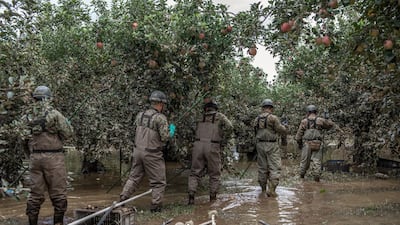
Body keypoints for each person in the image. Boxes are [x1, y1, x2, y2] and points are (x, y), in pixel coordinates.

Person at [25, 86, 74, 225]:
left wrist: (31, 155)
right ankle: (58, 223)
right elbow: (68, 134)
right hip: (54, 159)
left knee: (35, 195)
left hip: (35, 158)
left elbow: (23, 139)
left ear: (35, 98)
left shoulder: (27, 116)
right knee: (59, 194)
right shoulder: (55, 114)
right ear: (48, 98)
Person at [119, 90, 175, 213]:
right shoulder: (160, 118)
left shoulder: (140, 115)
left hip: (137, 151)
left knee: (134, 178)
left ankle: (122, 199)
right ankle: (156, 208)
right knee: (158, 182)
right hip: (152, 153)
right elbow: (164, 137)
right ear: (161, 104)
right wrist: (171, 132)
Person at [188, 99, 233, 205]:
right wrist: (223, 138)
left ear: (205, 109)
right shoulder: (220, 116)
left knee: (195, 172)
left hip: (198, 145)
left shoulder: (199, 117)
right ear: (215, 108)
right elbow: (230, 127)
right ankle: (212, 198)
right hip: (213, 145)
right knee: (214, 173)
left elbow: (191, 128)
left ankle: (191, 196)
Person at [295, 105, 343, 182]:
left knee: (304, 161)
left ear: (308, 112)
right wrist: (327, 119)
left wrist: (300, 144)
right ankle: (316, 178)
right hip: (318, 143)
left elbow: (298, 136)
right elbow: (330, 125)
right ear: (316, 112)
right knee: (317, 161)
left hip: (307, 143)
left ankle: (301, 178)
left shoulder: (304, 121)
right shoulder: (320, 120)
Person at [253, 99, 288, 197]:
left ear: (262, 108)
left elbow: (255, 132)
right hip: (271, 145)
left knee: (262, 168)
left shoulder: (257, 119)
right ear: (271, 108)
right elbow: (281, 130)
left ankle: (263, 190)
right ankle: (272, 190)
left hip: (260, 145)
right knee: (275, 167)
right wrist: (285, 127)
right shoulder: (273, 118)